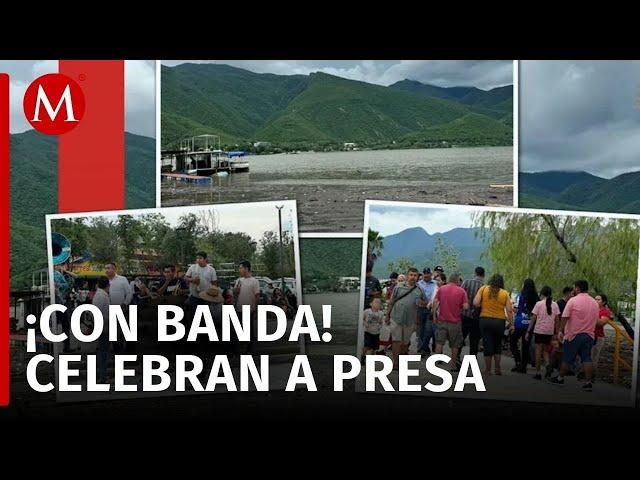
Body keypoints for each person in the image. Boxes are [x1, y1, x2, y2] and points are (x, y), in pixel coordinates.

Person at [548, 280, 599, 391]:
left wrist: (560, 330)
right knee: (587, 358)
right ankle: (588, 382)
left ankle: (560, 378)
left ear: (577, 288)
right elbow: (596, 319)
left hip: (574, 335)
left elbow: (565, 317)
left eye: (574, 288)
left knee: (567, 358)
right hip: (589, 335)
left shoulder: (573, 301)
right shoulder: (594, 303)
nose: (574, 290)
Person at [474, 273, 514, 376]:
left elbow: (476, 303)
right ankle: (497, 368)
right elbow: (509, 310)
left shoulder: (483, 289)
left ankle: (488, 370)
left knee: (487, 344)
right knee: (497, 345)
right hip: (499, 322)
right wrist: (511, 323)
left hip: (485, 320)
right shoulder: (504, 293)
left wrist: (484, 304)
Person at [385, 267, 425, 369]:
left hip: (410, 319)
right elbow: (391, 301)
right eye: (411, 275)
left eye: (415, 275)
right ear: (407, 276)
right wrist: (387, 315)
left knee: (405, 342)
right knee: (396, 340)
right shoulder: (398, 287)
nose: (413, 277)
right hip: (396, 317)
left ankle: (401, 360)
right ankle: (395, 362)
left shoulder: (419, 290)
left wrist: (422, 303)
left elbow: (425, 302)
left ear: (418, 277)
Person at [432, 272, 469, 371]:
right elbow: (466, 306)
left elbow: (435, 302)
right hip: (455, 321)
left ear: (448, 279)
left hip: (442, 320)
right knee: (455, 344)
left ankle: (435, 363)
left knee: (439, 342)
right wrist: (459, 306)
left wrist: (434, 316)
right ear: (457, 280)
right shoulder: (461, 291)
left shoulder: (442, 289)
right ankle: (453, 365)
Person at [526, 286, 560, 380]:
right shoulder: (555, 305)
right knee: (545, 351)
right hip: (549, 332)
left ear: (542, 294)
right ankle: (548, 365)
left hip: (539, 331)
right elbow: (557, 320)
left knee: (538, 351)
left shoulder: (539, 304)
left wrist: (528, 331)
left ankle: (538, 373)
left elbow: (533, 318)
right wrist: (556, 332)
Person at [510, 279, 538, 373]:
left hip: (519, 323)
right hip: (530, 325)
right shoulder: (536, 298)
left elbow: (515, 309)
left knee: (513, 341)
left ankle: (518, 361)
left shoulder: (520, 296)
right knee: (526, 346)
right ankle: (523, 367)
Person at [234, 260, 262, 353]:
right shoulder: (239, 280)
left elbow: (257, 295)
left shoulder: (254, 281)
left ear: (246, 268)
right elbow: (234, 295)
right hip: (239, 308)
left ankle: (249, 349)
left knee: (248, 330)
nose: (240, 270)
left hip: (249, 308)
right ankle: (240, 349)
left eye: (241, 268)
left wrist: (256, 308)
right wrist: (236, 291)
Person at [461, 266, 485, 357]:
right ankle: (472, 362)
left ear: (474, 273)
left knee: (461, 338)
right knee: (474, 341)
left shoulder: (467, 282)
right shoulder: (485, 287)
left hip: (464, 314)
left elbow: (461, 295)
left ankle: (457, 358)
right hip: (477, 317)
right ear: (483, 275)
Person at [416, 267, 438, 356]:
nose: (426, 275)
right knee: (421, 329)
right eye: (425, 273)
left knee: (429, 330)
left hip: (431, 310)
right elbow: (416, 298)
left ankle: (426, 348)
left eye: (428, 273)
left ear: (431, 274)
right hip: (420, 309)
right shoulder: (418, 284)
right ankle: (423, 349)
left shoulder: (435, 284)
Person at [93, 276, 111, 384]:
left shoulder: (101, 295)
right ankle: (102, 377)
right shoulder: (101, 296)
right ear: (108, 285)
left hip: (104, 327)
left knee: (103, 352)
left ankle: (102, 376)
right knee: (103, 353)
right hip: (103, 328)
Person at [593, 294, 612, 380]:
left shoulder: (605, 311)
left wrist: (594, 314)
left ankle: (591, 377)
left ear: (603, 302)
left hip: (598, 337)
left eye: (598, 299)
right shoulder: (592, 309)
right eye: (595, 299)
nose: (595, 301)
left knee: (594, 357)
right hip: (589, 335)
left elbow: (600, 323)